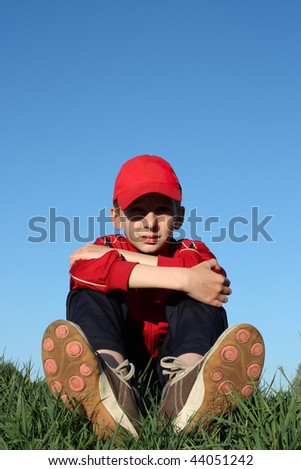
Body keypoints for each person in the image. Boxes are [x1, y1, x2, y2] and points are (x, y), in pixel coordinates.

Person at [42, 154, 265, 439]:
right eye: (136, 211)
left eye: (162, 210)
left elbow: (211, 280)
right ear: (116, 216)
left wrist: (121, 259)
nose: (150, 223)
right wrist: (184, 277)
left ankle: (187, 386)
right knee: (88, 293)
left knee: (200, 297)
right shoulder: (104, 245)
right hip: (126, 357)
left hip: (173, 360)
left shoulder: (190, 250)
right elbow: (82, 271)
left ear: (179, 216)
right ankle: (109, 381)